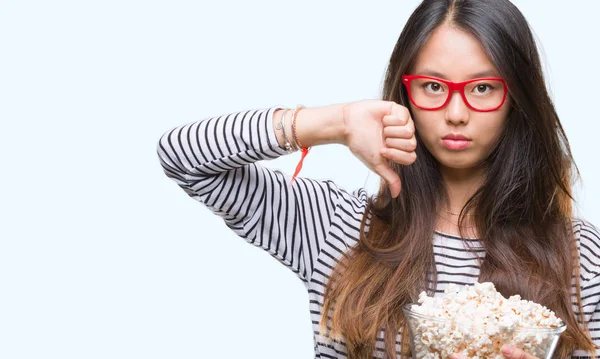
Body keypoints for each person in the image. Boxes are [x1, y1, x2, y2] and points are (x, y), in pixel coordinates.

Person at [156, 0, 600, 358]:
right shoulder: (337, 227)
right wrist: (336, 122)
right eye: (433, 86)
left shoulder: (578, 255)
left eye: (483, 88)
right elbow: (183, 155)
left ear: (516, 99)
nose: (457, 113)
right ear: (404, 92)